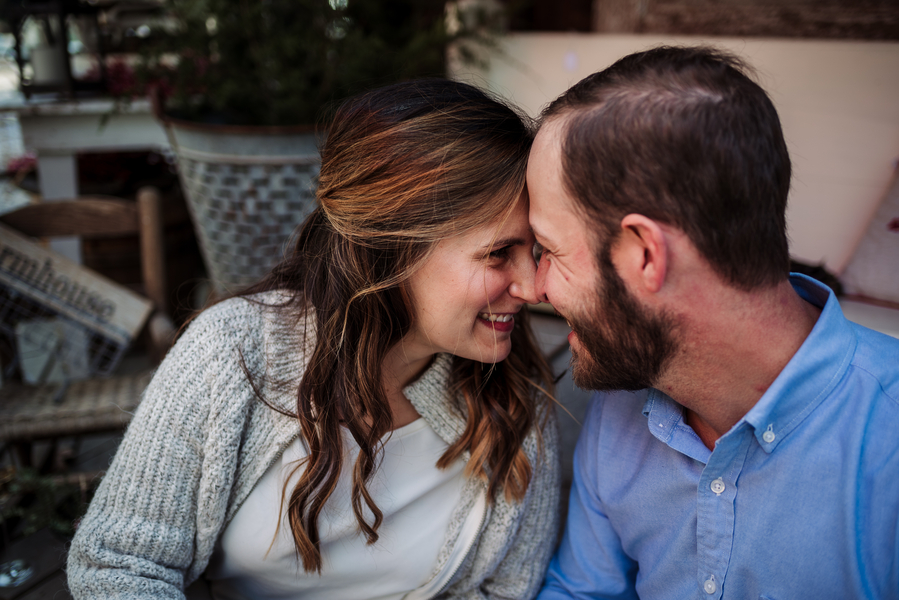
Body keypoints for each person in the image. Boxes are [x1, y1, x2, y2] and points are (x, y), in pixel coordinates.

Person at [67, 79, 561, 600]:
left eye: (536, 251)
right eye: (498, 252)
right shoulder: (231, 353)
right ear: (390, 249)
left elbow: (509, 587)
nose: (532, 288)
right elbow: (118, 565)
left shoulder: (515, 391)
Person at [528, 46, 899, 599]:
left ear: (646, 256)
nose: (535, 287)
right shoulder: (620, 406)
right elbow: (582, 591)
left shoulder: (886, 438)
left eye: (550, 251)